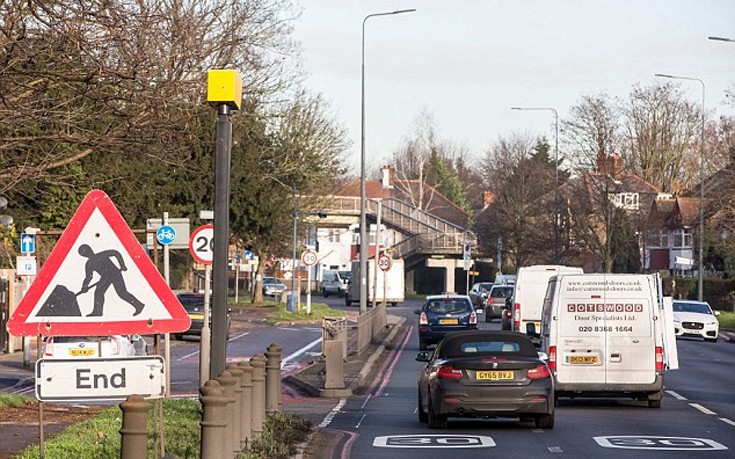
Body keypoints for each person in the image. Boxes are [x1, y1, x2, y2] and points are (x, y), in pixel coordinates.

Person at [78, 244, 145, 316]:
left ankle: (139, 305)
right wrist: (84, 286)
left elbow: (116, 253)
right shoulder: (89, 264)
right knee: (99, 292)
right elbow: (89, 277)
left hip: (115, 273)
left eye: (87, 251)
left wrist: (122, 265)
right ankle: (97, 312)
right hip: (105, 277)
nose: (88, 253)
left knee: (121, 293)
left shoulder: (102, 255)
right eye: (85, 253)